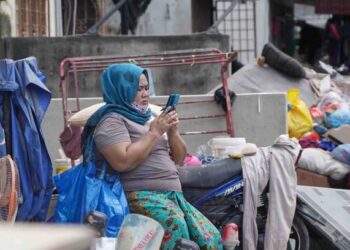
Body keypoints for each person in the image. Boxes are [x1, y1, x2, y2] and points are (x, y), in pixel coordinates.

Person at [81, 63, 222, 249]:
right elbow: (122, 162)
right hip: (140, 194)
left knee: (210, 237)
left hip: (173, 195)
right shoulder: (111, 121)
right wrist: (154, 132)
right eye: (138, 89)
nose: (145, 94)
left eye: (147, 88)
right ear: (122, 89)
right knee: (176, 228)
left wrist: (172, 132)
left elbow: (179, 159)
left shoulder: (149, 116)